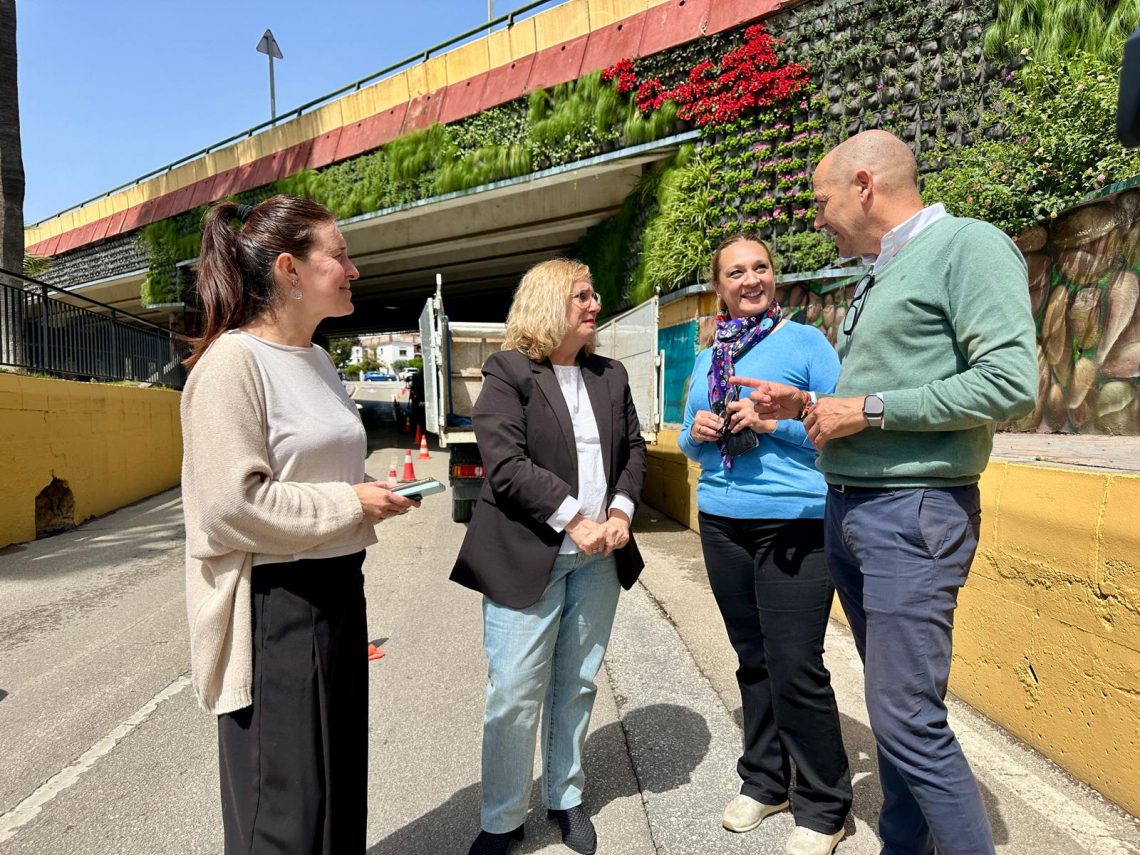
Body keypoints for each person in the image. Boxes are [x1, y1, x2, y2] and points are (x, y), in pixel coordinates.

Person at [735, 130, 1038, 855]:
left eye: (821, 199)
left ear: (863, 184)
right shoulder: (881, 269)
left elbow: (1010, 384)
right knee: (894, 708)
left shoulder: (970, 245)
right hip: (855, 510)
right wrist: (806, 404)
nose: (817, 217)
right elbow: (888, 388)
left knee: (904, 718)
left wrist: (863, 408)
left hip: (913, 511)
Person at [180, 195, 420, 854]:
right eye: (339, 255)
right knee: (284, 814)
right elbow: (230, 505)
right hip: (276, 610)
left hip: (341, 593)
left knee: (339, 790)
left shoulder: (317, 361)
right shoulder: (231, 365)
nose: (354, 269)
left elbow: (320, 466)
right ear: (290, 269)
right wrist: (352, 503)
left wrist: (371, 494)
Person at [451, 259, 646, 855]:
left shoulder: (610, 374)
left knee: (576, 683)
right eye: (580, 296)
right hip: (530, 554)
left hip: (599, 560)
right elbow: (505, 466)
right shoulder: (508, 371)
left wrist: (619, 513)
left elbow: (634, 449)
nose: (594, 304)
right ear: (546, 304)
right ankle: (502, 818)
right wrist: (574, 519)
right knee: (514, 691)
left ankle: (565, 797)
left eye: (593, 293)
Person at [678, 235, 851, 855]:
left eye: (761, 268)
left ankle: (825, 805)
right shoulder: (708, 357)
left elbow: (839, 430)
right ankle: (766, 780)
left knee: (795, 662)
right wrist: (696, 434)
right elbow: (688, 438)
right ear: (718, 287)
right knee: (752, 657)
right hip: (723, 520)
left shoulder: (806, 343)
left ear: (773, 277)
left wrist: (776, 425)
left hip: (796, 522)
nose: (750, 279)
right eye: (735, 272)